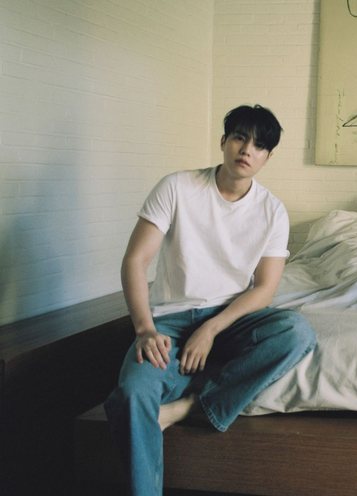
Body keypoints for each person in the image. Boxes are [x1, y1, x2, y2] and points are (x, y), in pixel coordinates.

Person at [104, 105, 317, 496]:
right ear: (223, 141)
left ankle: (190, 408)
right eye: (239, 137)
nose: (247, 149)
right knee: (132, 396)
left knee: (296, 332)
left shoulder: (272, 210)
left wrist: (212, 328)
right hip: (169, 320)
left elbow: (265, 288)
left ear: (267, 157)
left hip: (231, 320)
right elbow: (135, 261)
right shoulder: (177, 187)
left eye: (259, 145)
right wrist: (145, 329)